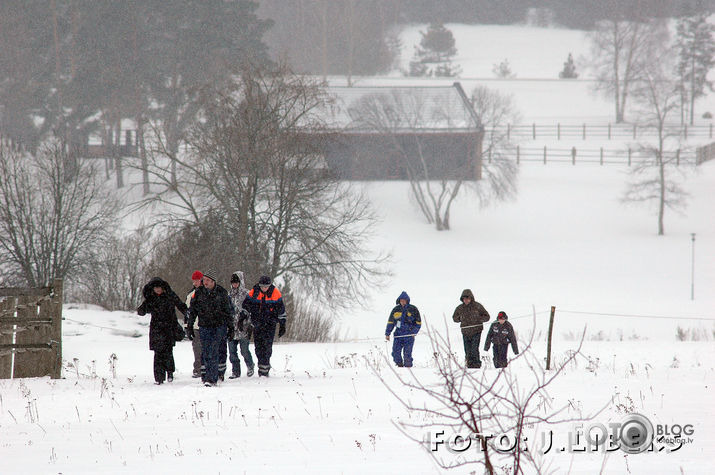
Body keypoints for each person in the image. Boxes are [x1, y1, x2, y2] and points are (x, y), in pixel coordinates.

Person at [137, 277, 187, 385]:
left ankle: (169, 372)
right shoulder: (151, 298)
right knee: (158, 353)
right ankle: (159, 378)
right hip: (156, 328)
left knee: (168, 352)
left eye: (159, 287)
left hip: (169, 327)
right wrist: (141, 311)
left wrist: (187, 313)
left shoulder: (170, 295)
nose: (158, 290)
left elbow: (180, 305)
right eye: (156, 288)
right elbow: (143, 309)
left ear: (163, 287)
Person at [187, 270, 232, 387]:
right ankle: (206, 375)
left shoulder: (222, 292)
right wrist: (190, 326)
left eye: (207, 280)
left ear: (213, 281)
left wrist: (230, 327)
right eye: (204, 280)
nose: (205, 282)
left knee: (214, 351)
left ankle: (212, 378)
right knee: (205, 351)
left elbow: (228, 311)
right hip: (204, 325)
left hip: (219, 326)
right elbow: (192, 311)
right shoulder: (198, 292)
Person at [241, 275, 286, 377]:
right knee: (258, 347)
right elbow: (246, 305)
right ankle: (261, 365)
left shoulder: (276, 293)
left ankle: (264, 369)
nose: (264, 289)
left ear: (270, 285)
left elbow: (281, 310)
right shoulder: (254, 292)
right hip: (257, 323)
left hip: (270, 324)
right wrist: (242, 317)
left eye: (266, 287)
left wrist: (282, 324)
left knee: (267, 347)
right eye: (262, 287)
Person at [451, 289, 490, 368]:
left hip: (476, 331)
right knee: (467, 350)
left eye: (468, 298)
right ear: (462, 299)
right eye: (464, 299)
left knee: (474, 349)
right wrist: (460, 318)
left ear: (471, 298)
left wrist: (478, 319)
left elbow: (487, 317)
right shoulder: (460, 308)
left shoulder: (477, 306)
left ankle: (476, 365)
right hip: (465, 332)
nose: (466, 300)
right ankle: (469, 365)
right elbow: (454, 318)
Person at [227, 271, 255, 378]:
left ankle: (250, 366)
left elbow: (252, 309)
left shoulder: (247, 294)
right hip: (231, 328)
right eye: (233, 282)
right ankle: (236, 371)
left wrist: (246, 316)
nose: (234, 284)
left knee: (244, 351)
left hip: (243, 327)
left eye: (236, 282)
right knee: (232, 352)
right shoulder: (229, 294)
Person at [384, 291, 421, 368]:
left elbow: (418, 323)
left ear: (407, 300)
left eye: (404, 300)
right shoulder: (395, 310)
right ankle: (399, 366)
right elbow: (391, 322)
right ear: (399, 300)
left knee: (407, 355)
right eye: (401, 300)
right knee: (395, 353)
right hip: (398, 335)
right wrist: (387, 333)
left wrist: (414, 332)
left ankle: (408, 369)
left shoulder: (413, 309)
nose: (403, 302)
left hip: (409, 335)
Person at [184, 270, 204, 379]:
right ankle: (197, 369)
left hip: (205, 324)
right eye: (194, 281)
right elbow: (187, 311)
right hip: (195, 326)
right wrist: (187, 325)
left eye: (197, 280)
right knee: (197, 348)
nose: (195, 283)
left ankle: (205, 368)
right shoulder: (190, 294)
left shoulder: (206, 292)